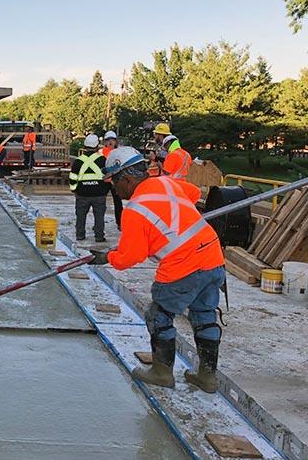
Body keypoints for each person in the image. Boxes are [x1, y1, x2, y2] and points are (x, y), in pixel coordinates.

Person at [90, 147, 225, 393]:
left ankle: (162, 373)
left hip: (183, 263)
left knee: (159, 315)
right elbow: (193, 194)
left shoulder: (134, 210)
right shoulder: (168, 183)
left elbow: (130, 256)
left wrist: (106, 257)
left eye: (114, 182)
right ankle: (207, 377)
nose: (114, 189)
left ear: (127, 179)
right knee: (204, 316)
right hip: (212, 255)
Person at [69, 135, 108, 242]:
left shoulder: (78, 161)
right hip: (99, 193)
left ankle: (80, 235)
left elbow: (73, 177)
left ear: (85, 146)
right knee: (99, 217)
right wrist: (105, 190)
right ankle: (99, 236)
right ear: (97, 146)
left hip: (82, 193)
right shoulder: (103, 160)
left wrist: (74, 189)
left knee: (80, 216)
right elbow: (108, 176)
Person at [101, 131, 123, 229]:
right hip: (104, 180)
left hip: (115, 180)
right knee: (100, 203)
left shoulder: (119, 152)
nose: (110, 142)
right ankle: (99, 223)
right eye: (108, 140)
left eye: (112, 140)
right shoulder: (101, 152)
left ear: (115, 141)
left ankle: (120, 223)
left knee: (118, 202)